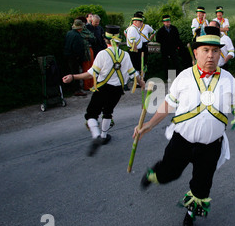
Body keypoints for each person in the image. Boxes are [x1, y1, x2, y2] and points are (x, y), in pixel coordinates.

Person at [133, 26, 235, 226]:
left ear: (220, 53)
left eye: (215, 51)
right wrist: (148, 124)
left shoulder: (228, 79)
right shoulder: (184, 77)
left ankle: (189, 219)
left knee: (201, 188)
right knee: (167, 175)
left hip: (211, 146)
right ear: (196, 52)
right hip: (181, 142)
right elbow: (168, 105)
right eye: (205, 50)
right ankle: (152, 175)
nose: (211, 55)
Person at [62, 25, 145, 156]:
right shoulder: (125, 55)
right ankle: (104, 135)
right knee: (108, 112)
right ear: (118, 40)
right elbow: (133, 74)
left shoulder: (102, 54)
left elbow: (90, 74)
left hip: (102, 89)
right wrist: (142, 83)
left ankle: (96, 137)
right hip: (117, 90)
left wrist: (73, 77)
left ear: (106, 40)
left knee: (91, 114)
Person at [63, 19, 88, 96]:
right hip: (74, 57)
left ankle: (69, 88)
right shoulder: (77, 36)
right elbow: (78, 48)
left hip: (67, 55)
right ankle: (77, 90)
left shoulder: (69, 33)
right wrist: (80, 57)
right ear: (80, 28)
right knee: (75, 73)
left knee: (69, 71)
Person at [156, 14, 183, 80]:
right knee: (166, 63)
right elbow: (158, 40)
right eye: (167, 22)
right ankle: (168, 77)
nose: (168, 23)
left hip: (173, 48)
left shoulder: (174, 29)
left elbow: (177, 38)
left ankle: (177, 76)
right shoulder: (160, 31)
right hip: (165, 49)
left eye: (169, 21)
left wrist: (178, 46)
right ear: (164, 22)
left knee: (175, 62)